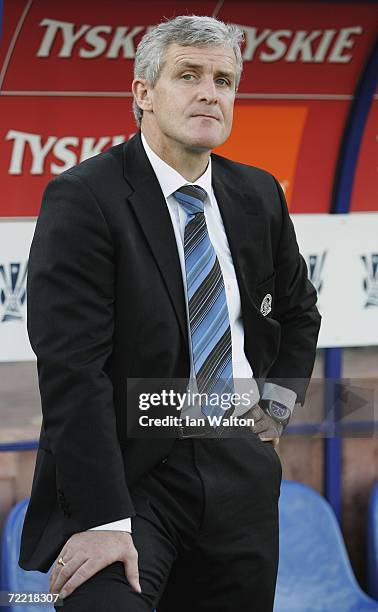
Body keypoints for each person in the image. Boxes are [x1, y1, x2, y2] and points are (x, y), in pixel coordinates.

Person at [19, 15, 321, 612]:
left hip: (238, 471)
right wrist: (105, 516)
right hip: (129, 478)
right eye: (189, 75)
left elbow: (298, 311)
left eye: (224, 80)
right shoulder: (85, 197)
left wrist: (277, 407)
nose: (211, 91)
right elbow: (72, 370)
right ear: (143, 94)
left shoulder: (258, 193)